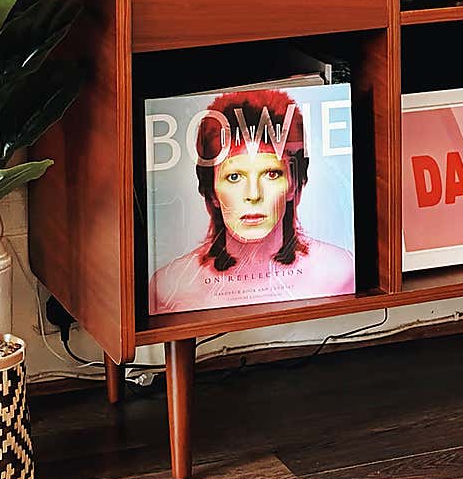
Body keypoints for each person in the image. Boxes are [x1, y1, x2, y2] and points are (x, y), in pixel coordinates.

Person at [149, 88, 355, 313]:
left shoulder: (339, 271)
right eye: (234, 177)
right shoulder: (170, 287)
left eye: (271, 173)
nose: (254, 194)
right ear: (211, 191)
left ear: (293, 184)